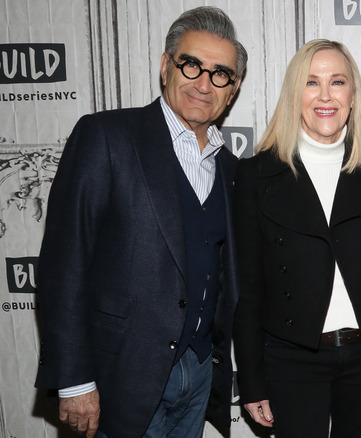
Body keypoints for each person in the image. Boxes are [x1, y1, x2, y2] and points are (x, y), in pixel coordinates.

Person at [33, 6, 246, 438]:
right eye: (191, 65)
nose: (204, 83)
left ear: (233, 88)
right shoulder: (106, 137)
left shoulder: (231, 168)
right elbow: (64, 264)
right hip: (121, 377)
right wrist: (74, 380)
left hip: (199, 372)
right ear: (166, 66)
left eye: (220, 73)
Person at [232, 39, 361, 438]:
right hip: (291, 358)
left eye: (337, 82)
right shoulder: (256, 176)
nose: (325, 96)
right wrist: (251, 380)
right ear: (294, 95)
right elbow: (246, 289)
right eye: (311, 82)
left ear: (352, 96)